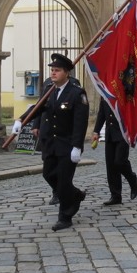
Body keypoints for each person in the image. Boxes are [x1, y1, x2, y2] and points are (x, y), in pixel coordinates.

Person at [13, 53, 89, 231]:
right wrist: (20, 120)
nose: (53, 73)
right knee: (48, 174)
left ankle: (65, 216)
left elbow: (80, 122)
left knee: (63, 182)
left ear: (67, 73)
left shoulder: (77, 93)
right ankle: (75, 194)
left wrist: (77, 146)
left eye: (57, 70)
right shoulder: (50, 91)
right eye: (52, 70)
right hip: (51, 144)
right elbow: (37, 108)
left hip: (68, 145)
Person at [92, 97, 137, 205]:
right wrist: (96, 131)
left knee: (120, 161)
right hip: (110, 133)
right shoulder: (105, 89)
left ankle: (133, 180)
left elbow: (132, 109)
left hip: (123, 132)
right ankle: (115, 195)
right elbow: (102, 113)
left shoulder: (124, 88)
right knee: (111, 165)